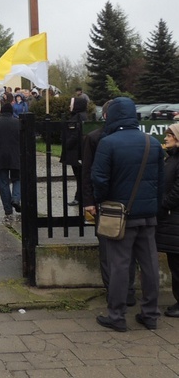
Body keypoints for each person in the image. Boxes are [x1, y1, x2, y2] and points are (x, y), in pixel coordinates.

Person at [91, 97, 164, 332]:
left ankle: (117, 315)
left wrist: (102, 201)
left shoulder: (108, 143)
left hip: (120, 215)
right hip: (148, 214)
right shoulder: (152, 143)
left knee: (120, 265)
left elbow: (99, 180)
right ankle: (151, 314)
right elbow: (160, 181)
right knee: (150, 264)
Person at [82, 100, 136, 306]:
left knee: (126, 251)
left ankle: (127, 292)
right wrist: (89, 201)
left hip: (120, 203)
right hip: (104, 203)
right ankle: (113, 291)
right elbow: (86, 172)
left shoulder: (127, 139)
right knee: (107, 250)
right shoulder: (94, 138)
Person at [155, 123, 179, 318]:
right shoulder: (171, 157)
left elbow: (177, 191)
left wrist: (163, 203)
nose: (166, 138)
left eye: (170, 135)